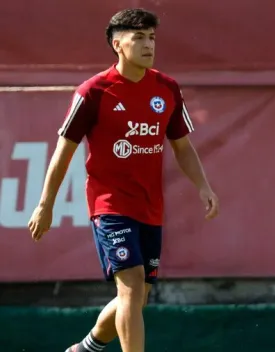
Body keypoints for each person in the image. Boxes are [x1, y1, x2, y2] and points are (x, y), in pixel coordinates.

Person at [27, 8, 219, 352]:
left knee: (139, 296)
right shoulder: (93, 92)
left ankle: (86, 348)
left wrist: (203, 185)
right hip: (110, 204)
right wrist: (45, 204)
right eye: (139, 38)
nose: (148, 45)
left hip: (150, 207)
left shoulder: (167, 89)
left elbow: (182, 146)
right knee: (130, 285)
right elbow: (64, 150)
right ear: (118, 44)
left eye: (152, 38)